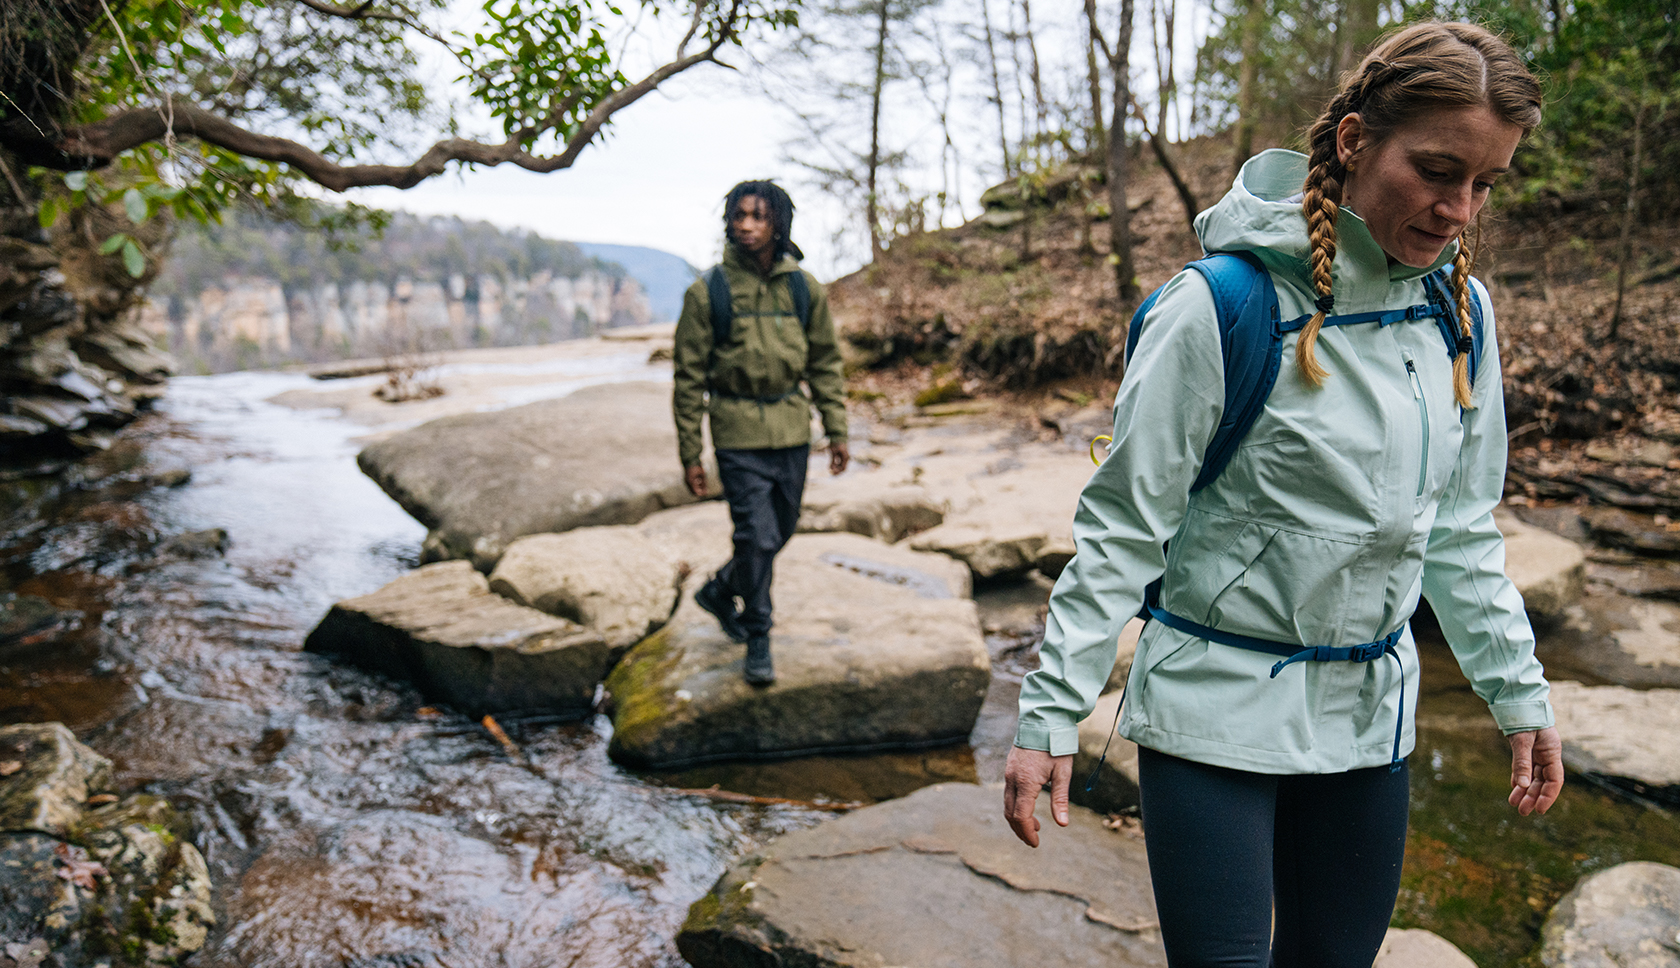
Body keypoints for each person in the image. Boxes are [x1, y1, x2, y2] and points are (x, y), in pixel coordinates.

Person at [1002, 21, 1565, 968]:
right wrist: (1050, 714)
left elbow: (1459, 532)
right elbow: (1124, 530)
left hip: (1368, 719)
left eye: (1485, 183)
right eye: (1436, 171)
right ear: (1354, 141)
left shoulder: (1460, 313)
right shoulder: (1217, 306)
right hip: (1211, 712)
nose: (1459, 209)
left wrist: (1519, 693)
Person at [672, 180, 849, 686]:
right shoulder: (708, 291)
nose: (746, 225)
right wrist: (691, 453)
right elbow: (688, 378)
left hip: (792, 429)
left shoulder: (804, 288)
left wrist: (836, 430)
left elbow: (825, 363)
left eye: (758, 216)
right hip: (737, 434)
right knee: (755, 536)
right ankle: (758, 635)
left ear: (778, 224)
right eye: (739, 216)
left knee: (781, 530)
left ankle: (719, 589)